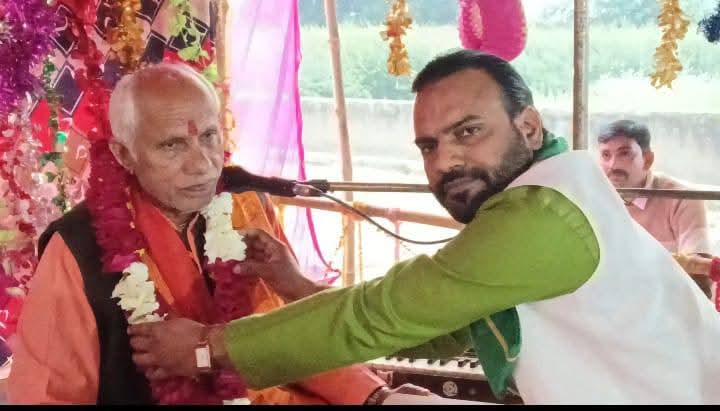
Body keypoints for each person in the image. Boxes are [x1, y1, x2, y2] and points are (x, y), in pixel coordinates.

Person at [127, 50, 720, 404]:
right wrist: (296, 285)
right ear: (126, 157)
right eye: (429, 146)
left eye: (469, 131)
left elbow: (381, 313)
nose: (446, 162)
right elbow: (439, 326)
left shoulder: (542, 213)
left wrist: (207, 349)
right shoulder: (549, 191)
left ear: (529, 127)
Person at [7, 63, 424, 405]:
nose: (203, 164)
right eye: (172, 146)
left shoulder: (245, 206)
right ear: (124, 154)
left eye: (209, 137)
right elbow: (46, 394)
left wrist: (371, 395)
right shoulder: (78, 247)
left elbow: (293, 334)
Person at [597, 119, 713, 297]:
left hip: (669, 302)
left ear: (648, 159)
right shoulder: (594, 197)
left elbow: (700, 275)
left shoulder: (682, 199)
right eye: (606, 155)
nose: (613, 165)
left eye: (624, 154)